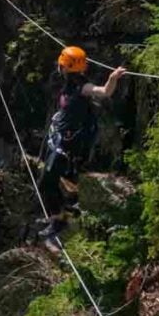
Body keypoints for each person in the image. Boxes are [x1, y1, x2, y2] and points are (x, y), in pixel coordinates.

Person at [37, 47, 126, 245]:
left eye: (61, 64)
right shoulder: (69, 84)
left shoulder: (81, 86)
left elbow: (103, 92)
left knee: (46, 182)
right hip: (61, 138)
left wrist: (113, 78)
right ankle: (60, 211)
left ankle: (58, 220)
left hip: (69, 144)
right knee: (50, 179)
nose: (59, 67)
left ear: (67, 67)